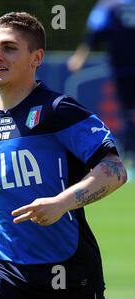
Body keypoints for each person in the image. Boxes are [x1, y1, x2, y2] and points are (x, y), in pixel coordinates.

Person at [0, 12, 127, 299]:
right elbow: (5, 188)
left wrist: (61, 203)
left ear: (36, 58)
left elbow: (115, 169)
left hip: (67, 271)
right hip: (4, 267)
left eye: (9, 48)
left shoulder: (59, 110)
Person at [68, 0, 135, 179]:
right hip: (123, 69)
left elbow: (95, 31)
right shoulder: (110, 7)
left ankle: (130, 157)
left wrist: (80, 56)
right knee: (130, 115)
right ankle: (131, 158)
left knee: (129, 114)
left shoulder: (108, 6)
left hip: (123, 69)